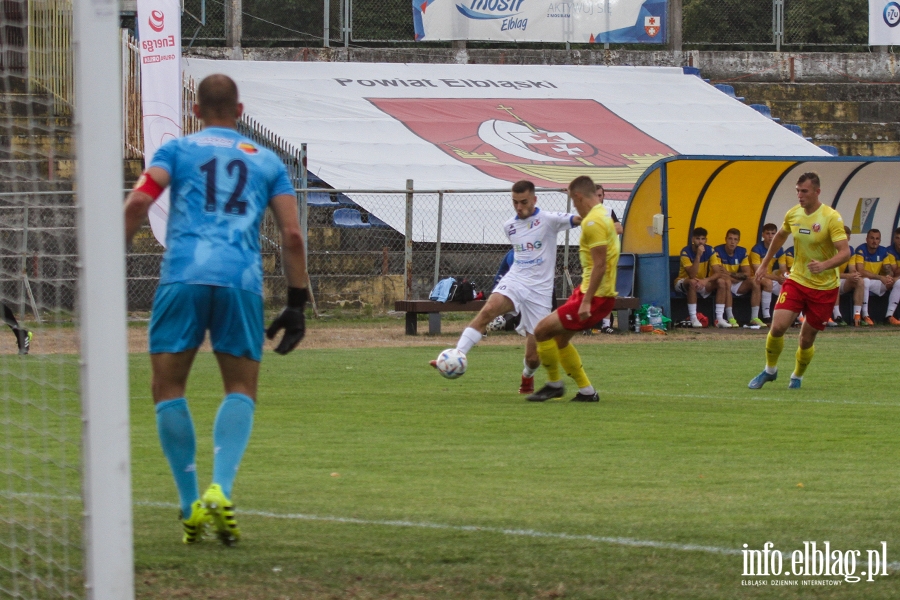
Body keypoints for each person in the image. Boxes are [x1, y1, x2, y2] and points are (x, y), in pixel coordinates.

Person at [123, 74, 308, 545]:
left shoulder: (176, 152)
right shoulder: (267, 161)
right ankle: (220, 489)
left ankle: (189, 506)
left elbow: (136, 205)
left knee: (167, 387)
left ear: (195, 110)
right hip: (240, 281)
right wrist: (295, 303)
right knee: (241, 387)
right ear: (240, 111)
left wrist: (106, 270)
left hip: (183, 276)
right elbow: (292, 236)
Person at [433, 180, 580, 394]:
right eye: (515, 202)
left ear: (534, 199)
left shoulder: (549, 220)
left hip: (540, 292)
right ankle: (456, 355)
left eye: (523, 202)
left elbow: (580, 219)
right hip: (516, 281)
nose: (519, 207)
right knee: (488, 311)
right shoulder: (509, 226)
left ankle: (527, 376)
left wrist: (605, 218)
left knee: (533, 357)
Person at [748, 172, 850, 390]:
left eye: (804, 191)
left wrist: (824, 265)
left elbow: (845, 252)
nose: (800, 195)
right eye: (797, 191)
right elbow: (781, 236)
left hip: (824, 287)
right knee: (777, 327)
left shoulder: (831, 218)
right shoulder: (793, 214)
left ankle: (797, 376)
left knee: (806, 340)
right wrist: (765, 263)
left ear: (817, 192)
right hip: (797, 280)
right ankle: (770, 370)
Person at [525, 175, 619, 403]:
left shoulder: (593, 222)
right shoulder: (603, 215)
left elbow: (600, 264)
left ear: (578, 196)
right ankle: (587, 391)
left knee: (541, 331)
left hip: (595, 296)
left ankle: (554, 384)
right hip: (593, 292)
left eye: (573, 202)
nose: (574, 207)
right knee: (559, 341)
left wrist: (586, 301)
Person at [673, 227, 731, 328]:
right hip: (683, 282)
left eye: (703, 239)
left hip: (702, 281)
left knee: (721, 282)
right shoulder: (685, 251)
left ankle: (719, 318)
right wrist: (698, 255)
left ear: (706, 240)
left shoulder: (710, 250)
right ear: (692, 239)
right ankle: (693, 318)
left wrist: (706, 280)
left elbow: (718, 272)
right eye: (698, 239)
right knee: (692, 282)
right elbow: (691, 275)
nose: (700, 242)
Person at [713, 228, 765, 327]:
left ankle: (754, 318)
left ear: (738, 241)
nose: (732, 242)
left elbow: (747, 273)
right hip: (721, 283)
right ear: (725, 239)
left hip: (735, 281)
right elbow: (719, 273)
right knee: (726, 281)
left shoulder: (742, 251)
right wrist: (734, 276)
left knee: (755, 281)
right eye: (730, 239)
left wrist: (729, 273)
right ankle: (730, 317)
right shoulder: (717, 250)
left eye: (735, 239)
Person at [852, 228, 898, 325]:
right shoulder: (861, 250)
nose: (874, 241)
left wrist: (889, 277)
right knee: (865, 281)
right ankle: (865, 315)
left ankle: (889, 316)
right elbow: (860, 271)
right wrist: (880, 277)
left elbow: (887, 269)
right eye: (872, 238)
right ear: (867, 239)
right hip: (866, 282)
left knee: (897, 282)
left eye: (877, 239)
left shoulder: (883, 251)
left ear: (880, 240)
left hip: (876, 282)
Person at [749, 223, 787, 323]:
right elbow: (758, 272)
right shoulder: (756, 249)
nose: (770, 236)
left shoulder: (779, 249)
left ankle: (794, 318)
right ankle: (766, 316)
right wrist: (777, 278)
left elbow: (783, 268)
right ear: (762, 235)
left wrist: (784, 276)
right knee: (768, 283)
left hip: (770, 277)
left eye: (773, 233)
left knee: (790, 286)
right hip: (755, 277)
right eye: (768, 233)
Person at [829, 225, 862, 327]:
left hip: (841, 280)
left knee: (860, 281)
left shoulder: (850, 250)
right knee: (836, 278)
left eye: (846, 238)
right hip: (827, 281)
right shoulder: (830, 249)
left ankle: (857, 316)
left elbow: (852, 269)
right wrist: (848, 276)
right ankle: (837, 315)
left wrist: (854, 275)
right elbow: (829, 272)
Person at [886, 227, 900, 325]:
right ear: (894, 239)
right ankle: (889, 316)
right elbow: (895, 272)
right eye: (897, 238)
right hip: (889, 280)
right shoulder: (889, 251)